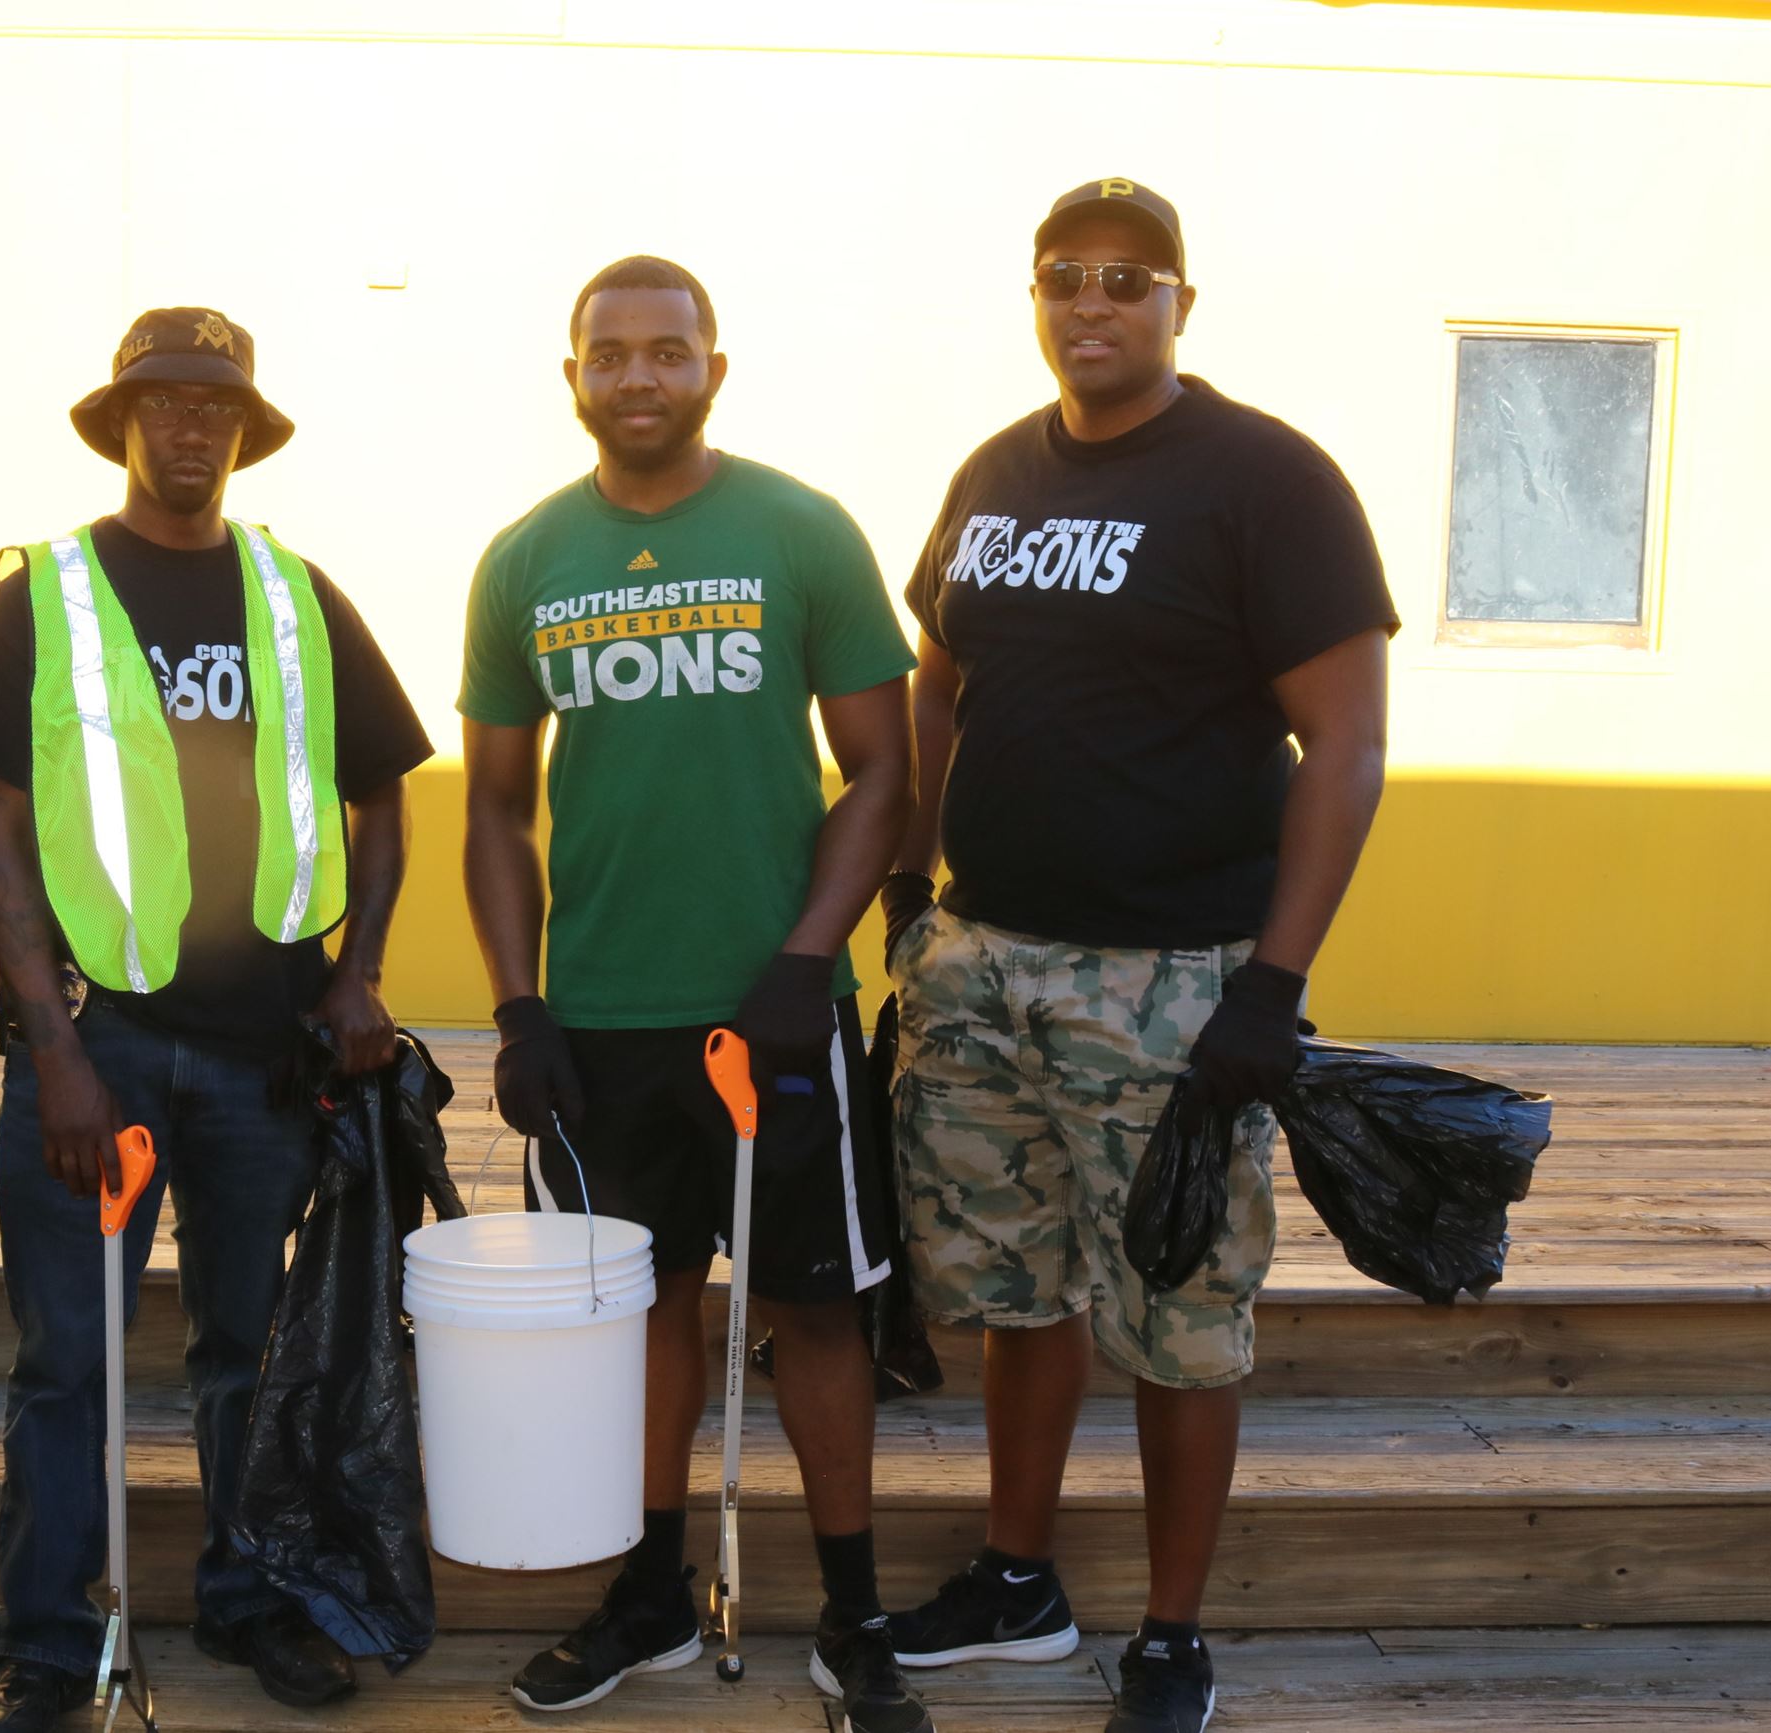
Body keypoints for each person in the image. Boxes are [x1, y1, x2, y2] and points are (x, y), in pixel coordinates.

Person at [879, 180, 1398, 1733]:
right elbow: (937, 680)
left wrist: (1273, 985)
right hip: (982, 960)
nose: (1091, 304)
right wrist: (912, 887)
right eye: (1063, 279)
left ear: (1182, 302)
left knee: (1179, 1307)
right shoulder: (995, 471)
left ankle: (1174, 1633)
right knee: (1013, 1288)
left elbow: (1350, 743)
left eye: (1127, 280)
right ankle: (1017, 1578)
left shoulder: (1267, 479)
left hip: (1172, 980)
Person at [460, 257, 930, 1733]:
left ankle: (856, 1618)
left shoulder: (801, 530)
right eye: (613, 355)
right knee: (639, 1311)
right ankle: (651, 1592)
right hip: (600, 1021)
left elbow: (884, 774)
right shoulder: (524, 558)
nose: (641, 377)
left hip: (773, 1012)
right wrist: (518, 1008)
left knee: (816, 1310)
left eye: (669, 353)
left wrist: (807, 958)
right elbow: (492, 810)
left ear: (714, 369)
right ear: (575, 377)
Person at [0, 308, 433, 1731]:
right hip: (95, 1051)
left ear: (244, 429)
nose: (188, 425)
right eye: (161, 402)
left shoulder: (295, 595)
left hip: (261, 1059)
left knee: (249, 1349)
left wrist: (360, 974)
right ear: (122, 423)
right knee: (66, 1363)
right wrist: (51, 1044)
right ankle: (45, 1642)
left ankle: (248, 1596)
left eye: (214, 404)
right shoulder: (44, 596)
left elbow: (386, 787)